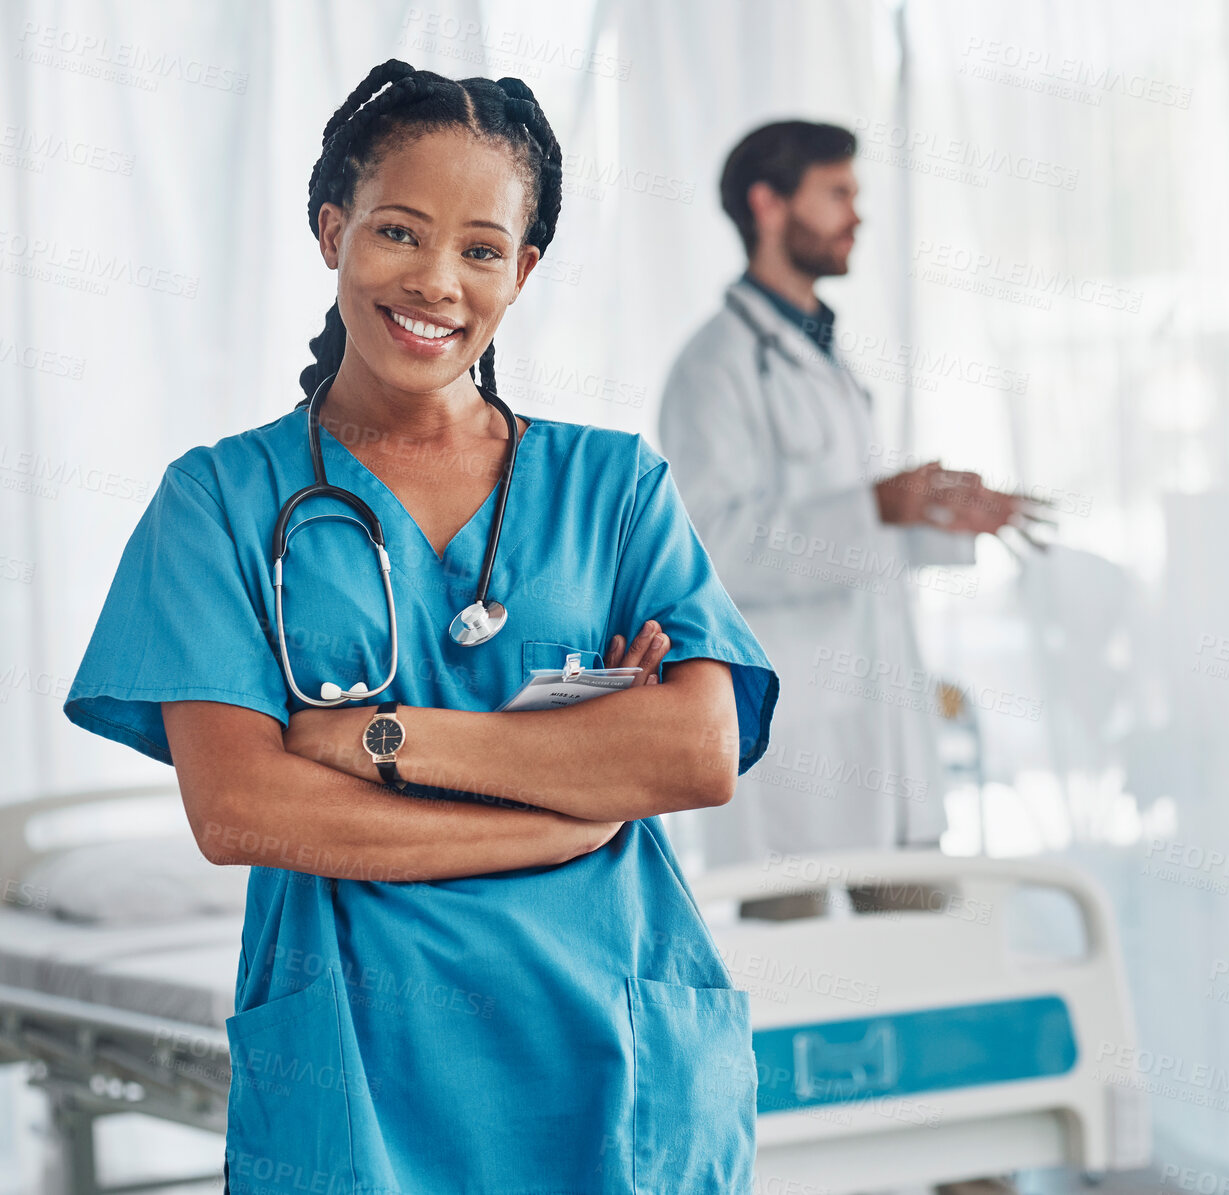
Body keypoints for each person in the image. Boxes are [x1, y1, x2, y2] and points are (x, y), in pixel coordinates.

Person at [62, 60, 778, 1194]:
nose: (437, 280)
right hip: (360, 1063)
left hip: (613, 1046)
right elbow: (241, 805)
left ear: (523, 269)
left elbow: (696, 751)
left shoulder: (616, 487)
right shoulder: (217, 503)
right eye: (399, 232)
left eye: (482, 249)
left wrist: (383, 739)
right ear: (332, 230)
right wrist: (565, 808)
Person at [658, 120, 1021, 921]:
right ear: (769, 204)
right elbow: (713, 545)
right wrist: (874, 506)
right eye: (838, 194)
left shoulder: (822, 351)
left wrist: (938, 519)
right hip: (795, 745)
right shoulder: (714, 367)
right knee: (801, 979)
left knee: (926, 967)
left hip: (880, 731)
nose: (857, 215)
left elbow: (846, 537)